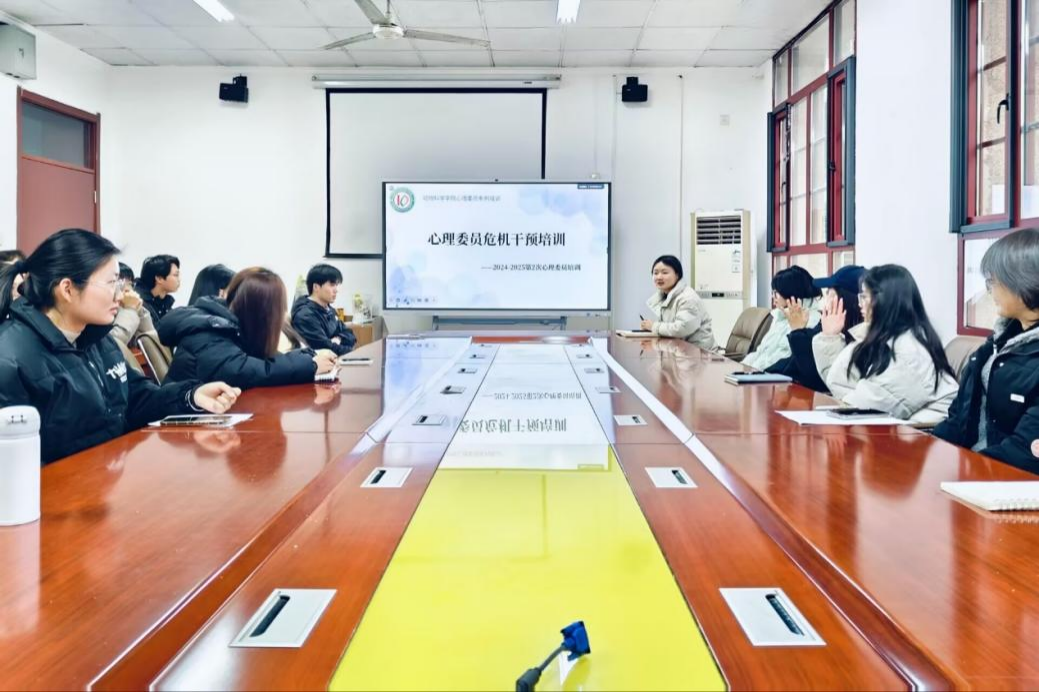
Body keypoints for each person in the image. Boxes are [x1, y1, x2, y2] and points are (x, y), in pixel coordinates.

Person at [0, 229, 240, 465]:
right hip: (66, 486)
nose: (121, 296)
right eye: (111, 283)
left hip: (107, 476)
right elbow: (17, 465)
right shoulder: (10, 359)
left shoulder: (96, 338)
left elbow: (137, 398)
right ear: (67, 289)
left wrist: (192, 396)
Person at [934, 228, 1038, 474]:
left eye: (994, 281)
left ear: (1024, 280)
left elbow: (1025, 451)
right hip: (972, 471)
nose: (989, 290)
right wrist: (926, 451)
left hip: (1005, 481)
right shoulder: (995, 345)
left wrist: (967, 470)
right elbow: (958, 419)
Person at [812, 265, 959, 425]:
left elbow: (866, 408)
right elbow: (842, 385)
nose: (860, 304)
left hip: (925, 435)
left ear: (885, 301)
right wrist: (830, 338)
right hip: (899, 431)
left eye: (864, 297)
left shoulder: (909, 351)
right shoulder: (886, 340)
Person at [161, 267, 338, 389]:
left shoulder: (231, 323)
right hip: (180, 424)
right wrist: (310, 365)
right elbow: (243, 371)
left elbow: (262, 360)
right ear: (262, 309)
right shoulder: (210, 329)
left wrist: (310, 356)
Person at [768, 265, 866, 393]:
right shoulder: (824, 323)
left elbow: (814, 379)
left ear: (845, 299)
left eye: (830, 294)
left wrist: (798, 331)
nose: (825, 301)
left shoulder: (862, 339)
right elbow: (792, 364)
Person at [744, 266, 822, 371]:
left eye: (776, 293)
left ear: (791, 294)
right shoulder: (780, 316)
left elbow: (780, 361)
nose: (773, 297)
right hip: (756, 374)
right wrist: (740, 368)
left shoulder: (811, 321)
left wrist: (751, 372)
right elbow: (761, 352)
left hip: (771, 377)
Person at [641, 255, 716, 351]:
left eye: (664, 272)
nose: (659, 277)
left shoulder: (687, 298)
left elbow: (681, 329)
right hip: (681, 351)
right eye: (655, 273)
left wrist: (653, 326)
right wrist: (651, 328)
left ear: (677, 275)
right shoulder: (667, 296)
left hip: (700, 354)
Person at [291, 264, 357, 356]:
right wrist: (353, 352)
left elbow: (350, 335)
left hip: (335, 360)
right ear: (316, 287)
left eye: (336, 285)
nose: (336, 290)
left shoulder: (329, 310)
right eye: (332, 285)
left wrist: (338, 338)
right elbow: (325, 348)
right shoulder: (305, 315)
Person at [109, 262, 154, 347]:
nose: (127, 289)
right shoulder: (102, 313)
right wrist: (130, 310)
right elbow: (111, 345)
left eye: (130, 284)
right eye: (120, 284)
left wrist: (139, 310)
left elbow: (151, 341)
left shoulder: (126, 307)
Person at [136, 254, 181, 325]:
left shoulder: (165, 304)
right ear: (159, 278)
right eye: (176, 275)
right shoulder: (138, 304)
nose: (179, 279)